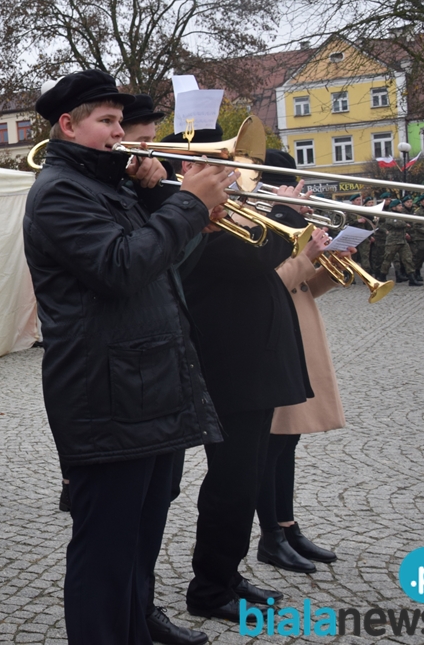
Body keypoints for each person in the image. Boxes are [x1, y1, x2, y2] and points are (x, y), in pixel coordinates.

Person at [23, 71, 232, 644]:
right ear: (68, 125)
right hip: (106, 397)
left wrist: (160, 193)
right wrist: (188, 203)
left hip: (146, 388)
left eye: (121, 121)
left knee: (138, 545)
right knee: (105, 556)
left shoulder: (107, 184)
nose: (121, 133)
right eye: (107, 121)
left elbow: (161, 262)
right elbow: (120, 267)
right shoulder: (60, 191)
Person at [180, 147, 314, 624]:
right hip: (229, 369)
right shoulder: (190, 219)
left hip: (251, 367)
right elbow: (252, 258)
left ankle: (227, 575)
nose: (227, 176)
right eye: (215, 166)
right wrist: (285, 214)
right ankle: (209, 588)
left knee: (246, 479)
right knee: (231, 484)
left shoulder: (218, 215)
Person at [122, 95, 210, 645]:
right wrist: (170, 202)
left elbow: (178, 262)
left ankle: (143, 605)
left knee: (159, 500)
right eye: (144, 140)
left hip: (167, 360)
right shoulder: (112, 193)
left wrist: (180, 207)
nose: (154, 151)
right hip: (131, 374)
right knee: (127, 518)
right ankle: (131, 613)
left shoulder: (147, 190)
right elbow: (133, 266)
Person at [256, 175, 345, 575]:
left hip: (299, 336)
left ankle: (288, 527)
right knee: (270, 446)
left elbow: (304, 286)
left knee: (288, 441)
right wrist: (305, 254)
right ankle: (270, 535)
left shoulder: (284, 223)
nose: (302, 197)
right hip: (272, 340)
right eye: (294, 189)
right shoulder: (256, 223)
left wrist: (332, 265)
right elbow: (269, 286)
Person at [378, 199, 420, 286]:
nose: (401, 207)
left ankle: (412, 278)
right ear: (394, 207)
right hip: (392, 241)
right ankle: (382, 277)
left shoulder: (401, 215)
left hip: (402, 241)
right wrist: (405, 224)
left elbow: (409, 222)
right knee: (387, 260)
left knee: (408, 259)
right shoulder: (389, 215)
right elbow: (396, 224)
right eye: (399, 206)